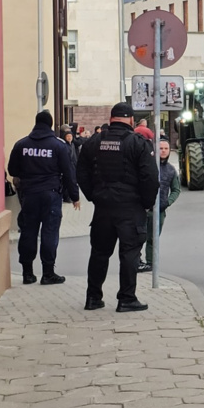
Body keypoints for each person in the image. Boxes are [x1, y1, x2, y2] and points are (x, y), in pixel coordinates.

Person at [77, 102, 159, 312]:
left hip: (103, 207)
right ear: (131, 120)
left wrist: (93, 196)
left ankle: (93, 298)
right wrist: (147, 203)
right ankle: (127, 298)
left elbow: (81, 172)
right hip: (130, 207)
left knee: (99, 252)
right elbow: (150, 177)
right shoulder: (138, 143)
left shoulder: (94, 142)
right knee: (130, 252)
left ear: (111, 118)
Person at [7, 111, 80, 285]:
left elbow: (12, 170)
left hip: (29, 195)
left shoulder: (21, 144)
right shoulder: (58, 146)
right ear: (50, 124)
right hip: (51, 194)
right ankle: (48, 273)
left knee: (28, 232)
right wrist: (75, 196)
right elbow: (69, 173)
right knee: (49, 232)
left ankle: (27, 273)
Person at [139, 138, 180, 273]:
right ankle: (137, 261)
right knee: (139, 236)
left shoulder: (171, 170)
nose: (163, 151)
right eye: (160, 148)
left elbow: (176, 189)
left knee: (153, 238)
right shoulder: (147, 165)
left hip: (160, 210)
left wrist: (168, 202)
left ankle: (151, 262)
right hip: (144, 209)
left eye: (166, 149)